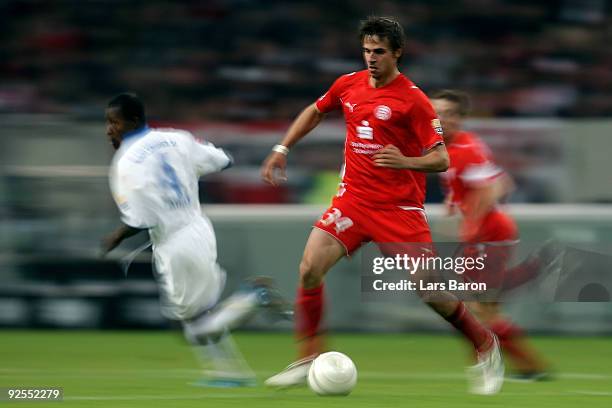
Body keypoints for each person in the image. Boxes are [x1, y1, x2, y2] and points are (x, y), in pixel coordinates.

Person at [260, 17, 504, 394]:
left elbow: (440, 159)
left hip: (398, 209)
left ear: (397, 53)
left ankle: (484, 344)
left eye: (379, 52)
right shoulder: (348, 84)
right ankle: (308, 356)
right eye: (367, 51)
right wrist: (282, 148)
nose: (371, 58)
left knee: (428, 290)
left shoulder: (415, 101)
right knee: (309, 268)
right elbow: (315, 110)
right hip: (353, 201)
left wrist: (404, 161)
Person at [101, 93, 288, 386]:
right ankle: (229, 373)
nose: (109, 129)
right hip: (199, 228)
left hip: (173, 243)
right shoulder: (177, 139)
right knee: (203, 314)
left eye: (114, 122)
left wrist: (115, 236)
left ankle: (252, 298)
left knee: (191, 328)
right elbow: (224, 160)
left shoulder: (124, 163)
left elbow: (141, 219)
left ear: (133, 121)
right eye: (108, 123)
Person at [431, 89, 552, 380]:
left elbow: (494, 187)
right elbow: (496, 182)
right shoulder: (452, 146)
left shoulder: (464, 149)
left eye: (448, 114)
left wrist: (471, 224)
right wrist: (456, 204)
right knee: (483, 306)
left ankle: (512, 365)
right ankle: (523, 366)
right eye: (436, 113)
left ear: (460, 119)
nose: (441, 119)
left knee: (476, 309)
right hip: (492, 233)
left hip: (488, 235)